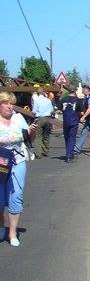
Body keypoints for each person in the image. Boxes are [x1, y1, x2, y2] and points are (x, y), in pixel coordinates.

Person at [0, 92, 35, 246]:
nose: (10, 106)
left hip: (17, 160)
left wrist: (31, 133)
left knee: (16, 195)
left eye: (11, 103)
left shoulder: (18, 118)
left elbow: (28, 139)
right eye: (6, 103)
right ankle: (1, 224)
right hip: (1, 162)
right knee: (0, 197)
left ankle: (12, 233)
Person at [56, 85, 82, 163]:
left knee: (67, 138)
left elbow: (59, 110)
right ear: (74, 91)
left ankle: (68, 153)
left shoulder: (63, 99)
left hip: (66, 121)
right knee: (72, 138)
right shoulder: (78, 100)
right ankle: (69, 156)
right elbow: (81, 111)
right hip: (74, 121)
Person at [31, 84, 55, 158]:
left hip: (40, 119)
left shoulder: (37, 100)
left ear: (38, 93)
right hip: (48, 118)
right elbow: (52, 110)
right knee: (46, 135)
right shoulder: (48, 100)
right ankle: (46, 151)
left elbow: (34, 111)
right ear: (44, 93)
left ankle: (38, 153)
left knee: (38, 136)